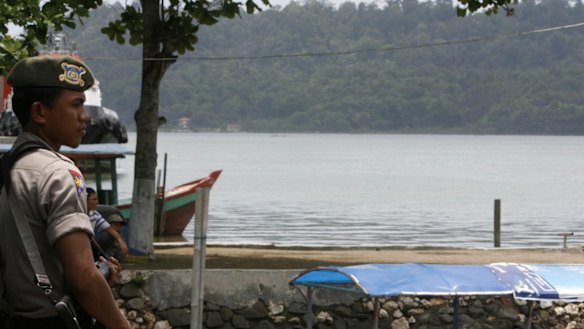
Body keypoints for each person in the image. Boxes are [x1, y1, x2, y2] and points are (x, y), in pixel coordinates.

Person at [0, 55, 131, 329]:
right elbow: (83, 277)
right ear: (39, 112)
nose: (85, 116)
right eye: (76, 105)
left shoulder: (7, 168)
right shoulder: (59, 173)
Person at [86, 187, 128, 260]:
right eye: (94, 200)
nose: (96, 202)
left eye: (97, 199)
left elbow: (108, 228)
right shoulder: (77, 215)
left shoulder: (94, 215)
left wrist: (120, 240)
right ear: (85, 200)